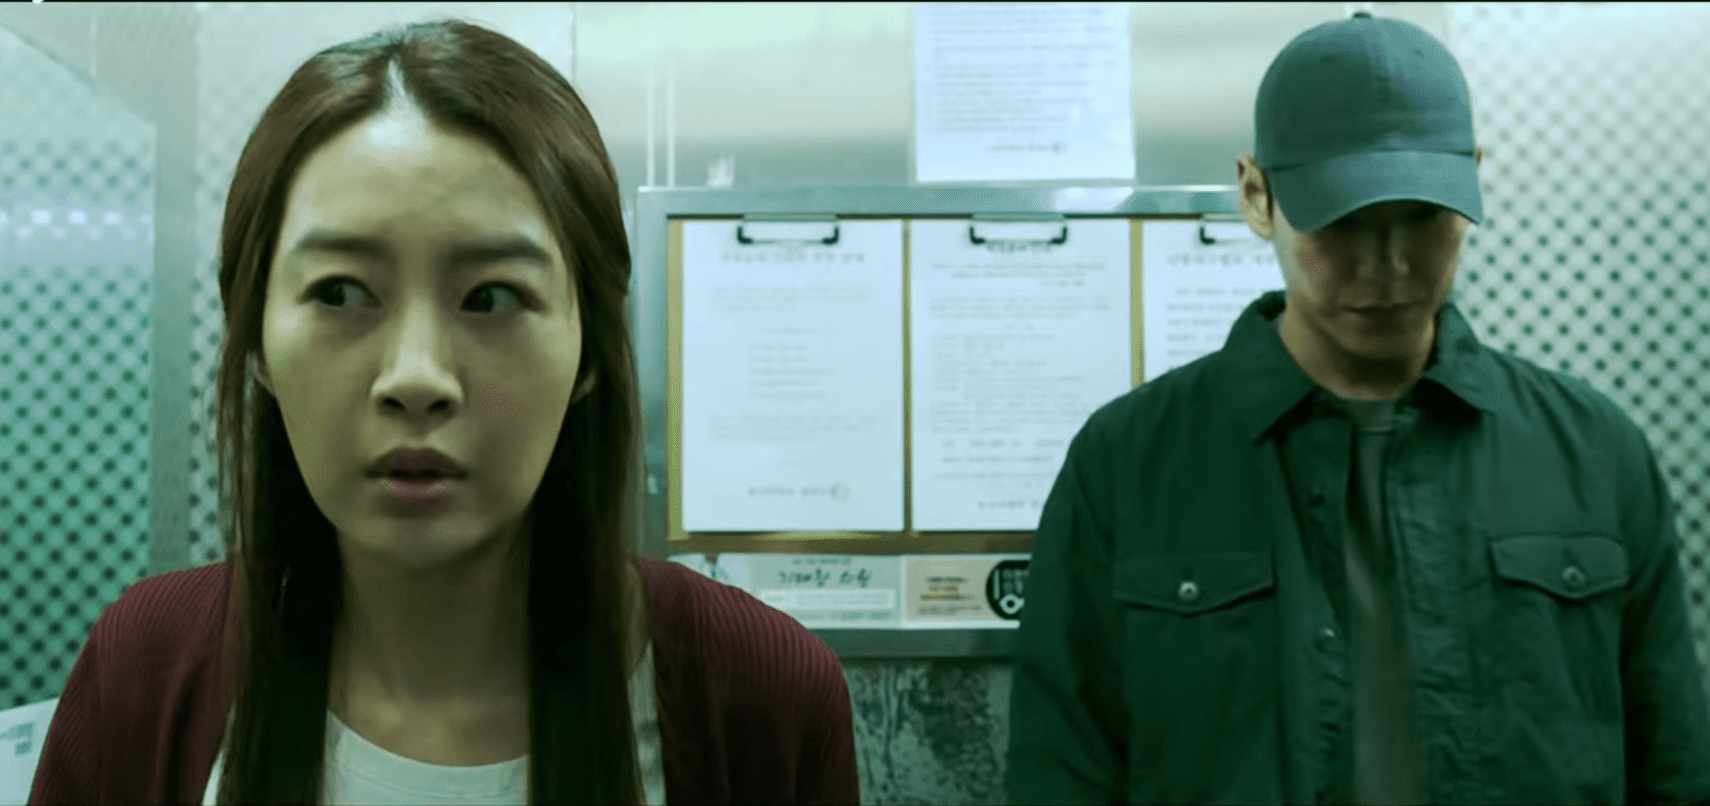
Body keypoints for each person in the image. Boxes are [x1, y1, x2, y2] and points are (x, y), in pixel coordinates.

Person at [29, 19, 859, 806]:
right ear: (255, 344)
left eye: (491, 297)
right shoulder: (145, 668)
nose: (417, 377)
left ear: (588, 354)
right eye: (340, 292)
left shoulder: (761, 697)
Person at [1006, 11, 1710, 805]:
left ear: (1473, 182)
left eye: (1423, 216)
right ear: (1256, 196)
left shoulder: (1594, 454)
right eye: (1343, 222)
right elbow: (1061, 773)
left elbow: (1674, 769)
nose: (1389, 264)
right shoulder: (1128, 464)